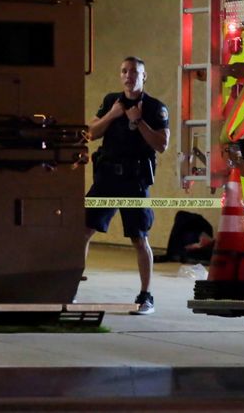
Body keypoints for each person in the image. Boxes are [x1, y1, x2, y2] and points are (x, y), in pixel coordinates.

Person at [86, 56, 169, 315]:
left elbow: (162, 145)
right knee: (82, 232)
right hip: (107, 179)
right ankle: (69, 289)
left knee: (139, 238)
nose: (128, 75)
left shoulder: (155, 108)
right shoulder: (112, 101)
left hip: (135, 181)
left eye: (134, 71)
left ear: (144, 76)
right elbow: (91, 132)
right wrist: (113, 115)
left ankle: (146, 296)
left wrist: (138, 121)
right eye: (124, 71)